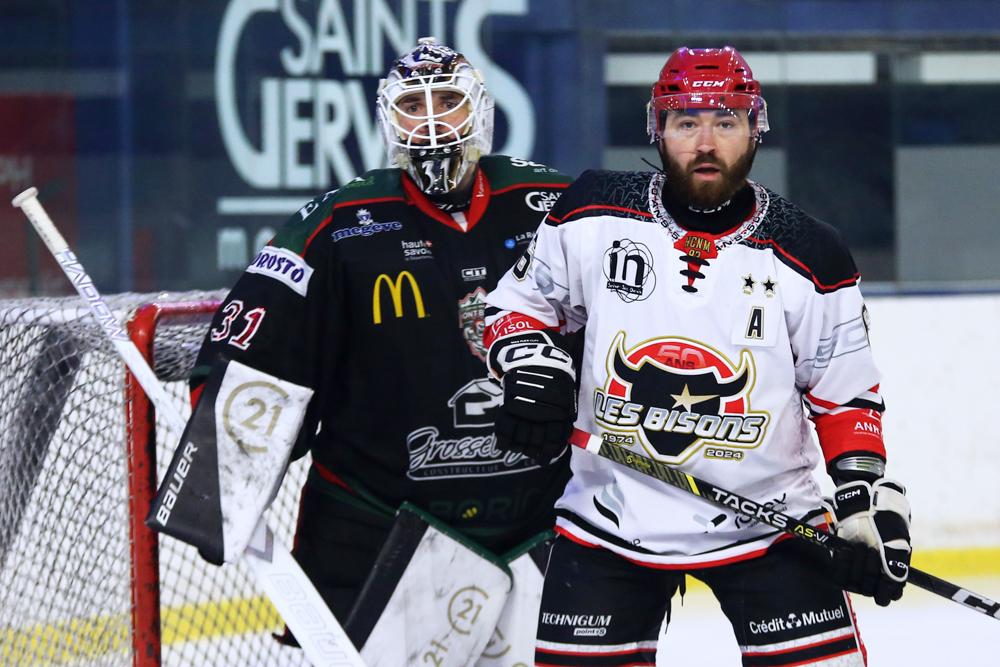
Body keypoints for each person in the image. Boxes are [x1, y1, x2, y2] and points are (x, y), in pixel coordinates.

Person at [484, 46, 912, 666]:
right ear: (657, 128)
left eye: (726, 122)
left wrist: (860, 497)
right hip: (608, 516)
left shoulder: (811, 252)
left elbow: (846, 395)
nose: (706, 143)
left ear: (755, 128)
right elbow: (518, 306)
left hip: (771, 522)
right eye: (686, 122)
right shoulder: (592, 212)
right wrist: (529, 363)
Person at [183, 37, 572, 655]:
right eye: (413, 106)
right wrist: (219, 482)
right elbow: (250, 355)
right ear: (389, 119)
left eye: (447, 101)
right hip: (377, 531)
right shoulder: (338, 225)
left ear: (479, 109)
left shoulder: (554, 207)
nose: (433, 121)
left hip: (541, 528)